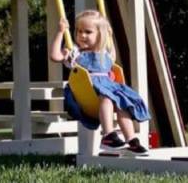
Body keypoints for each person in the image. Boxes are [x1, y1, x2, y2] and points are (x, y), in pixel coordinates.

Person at [50, 10, 151, 156]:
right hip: (87, 91)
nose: (82, 35)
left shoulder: (105, 52)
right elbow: (55, 56)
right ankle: (108, 135)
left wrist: (109, 35)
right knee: (108, 98)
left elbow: (112, 58)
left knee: (122, 103)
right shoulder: (75, 52)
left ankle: (131, 140)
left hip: (106, 87)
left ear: (100, 35)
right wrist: (60, 32)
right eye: (79, 31)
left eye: (88, 32)